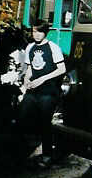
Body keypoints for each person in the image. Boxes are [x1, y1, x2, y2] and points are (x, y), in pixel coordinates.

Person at [19, 21, 66, 168]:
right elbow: (30, 68)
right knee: (23, 115)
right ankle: (26, 150)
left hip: (48, 91)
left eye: (39, 31)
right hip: (33, 90)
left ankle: (47, 155)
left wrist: (42, 79)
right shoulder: (30, 47)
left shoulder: (53, 47)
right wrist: (27, 79)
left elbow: (62, 69)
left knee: (45, 122)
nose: (36, 34)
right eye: (34, 31)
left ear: (45, 32)